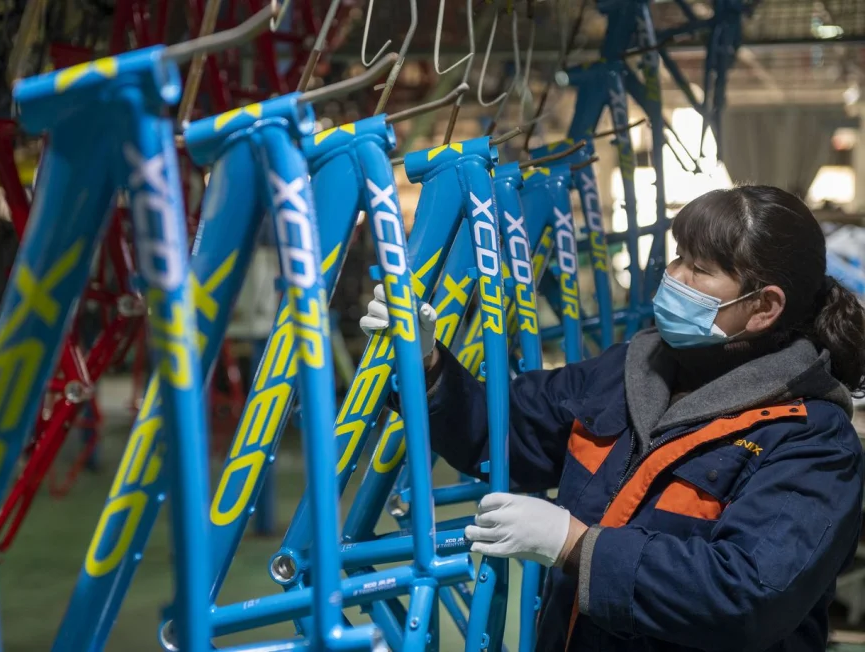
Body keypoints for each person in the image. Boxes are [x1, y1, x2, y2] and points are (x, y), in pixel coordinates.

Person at [360, 185, 865, 651]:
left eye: (699, 269)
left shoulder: (812, 442)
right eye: (679, 258)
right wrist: (428, 366)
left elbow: (749, 595)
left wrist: (579, 546)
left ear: (762, 306)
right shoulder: (631, 369)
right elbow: (507, 429)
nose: (674, 277)